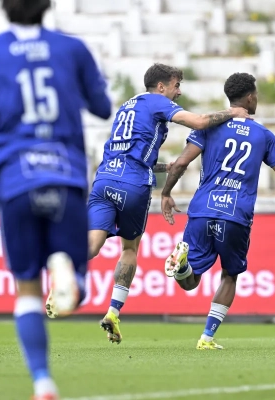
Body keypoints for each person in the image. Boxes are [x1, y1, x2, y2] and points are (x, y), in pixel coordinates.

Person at [0, 0, 112, 398]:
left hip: (16, 178)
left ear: (4, 8)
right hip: (64, 174)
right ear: (46, 6)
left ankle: (42, 381)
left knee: (27, 289)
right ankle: (68, 270)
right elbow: (103, 108)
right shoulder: (72, 48)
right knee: (76, 282)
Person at [84, 63, 251, 345]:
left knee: (90, 247)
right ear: (161, 87)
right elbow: (199, 122)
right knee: (129, 249)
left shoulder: (128, 107)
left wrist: (165, 167)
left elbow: (133, 154)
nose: (179, 91)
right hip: (133, 184)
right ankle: (113, 311)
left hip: (104, 179)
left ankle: (60, 268)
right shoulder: (157, 102)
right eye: (176, 85)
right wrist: (231, 112)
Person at [161, 72, 275, 350]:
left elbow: (180, 163)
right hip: (235, 214)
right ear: (250, 97)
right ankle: (207, 337)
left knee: (189, 282)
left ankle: (182, 264)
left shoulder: (209, 126)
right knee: (230, 274)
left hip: (203, 210)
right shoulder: (263, 135)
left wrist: (166, 192)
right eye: (256, 95)